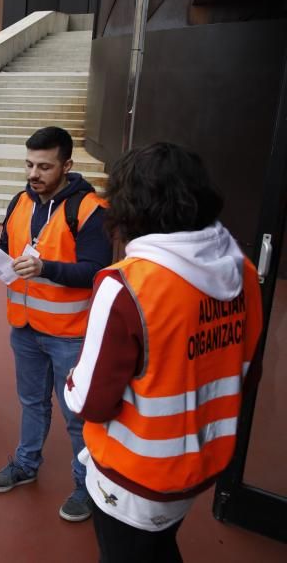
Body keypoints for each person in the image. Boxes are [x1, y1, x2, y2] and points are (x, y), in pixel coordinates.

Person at [63, 142, 263, 562]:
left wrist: (71, 379)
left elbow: (89, 402)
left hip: (135, 474)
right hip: (202, 457)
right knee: (156, 549)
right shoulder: (241, 269)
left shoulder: (126, 284)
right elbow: (240, 361)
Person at [0, 126, 111, 523]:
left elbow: (97, 272)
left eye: (44, 166)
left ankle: (85, 485)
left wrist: (45, 268)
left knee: (77, 415)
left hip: (69, 335)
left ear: (67, 166)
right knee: (31, 403)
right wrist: (0, 259)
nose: (33, 174)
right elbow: (5, 245)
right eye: (29, 164)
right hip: (23, 326)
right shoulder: (19, 201)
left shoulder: (90, 209)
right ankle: (26, 464)